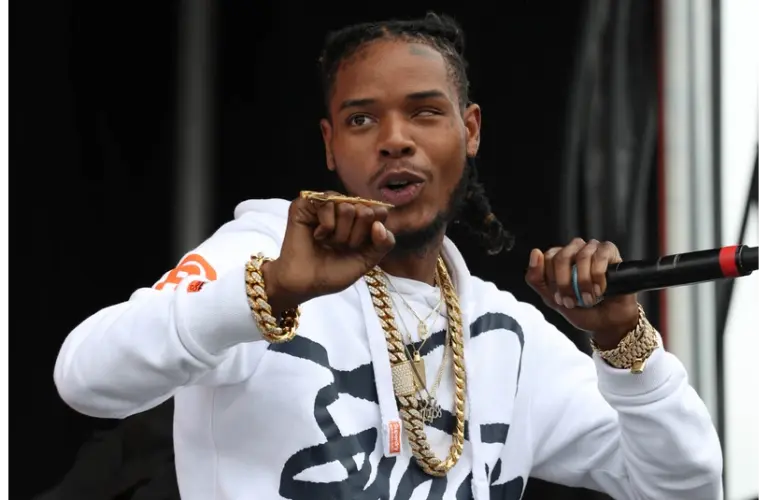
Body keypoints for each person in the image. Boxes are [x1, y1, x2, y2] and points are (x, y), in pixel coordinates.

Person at [54, 13, 723, 500]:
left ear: (471, 129)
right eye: (362, 119)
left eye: (425, 113)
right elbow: (83, 378)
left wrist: (624, 345)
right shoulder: (258, 251)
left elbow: (684, 485)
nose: (394, 140)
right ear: (329, 144)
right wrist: (271, 294)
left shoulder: (506, 337)